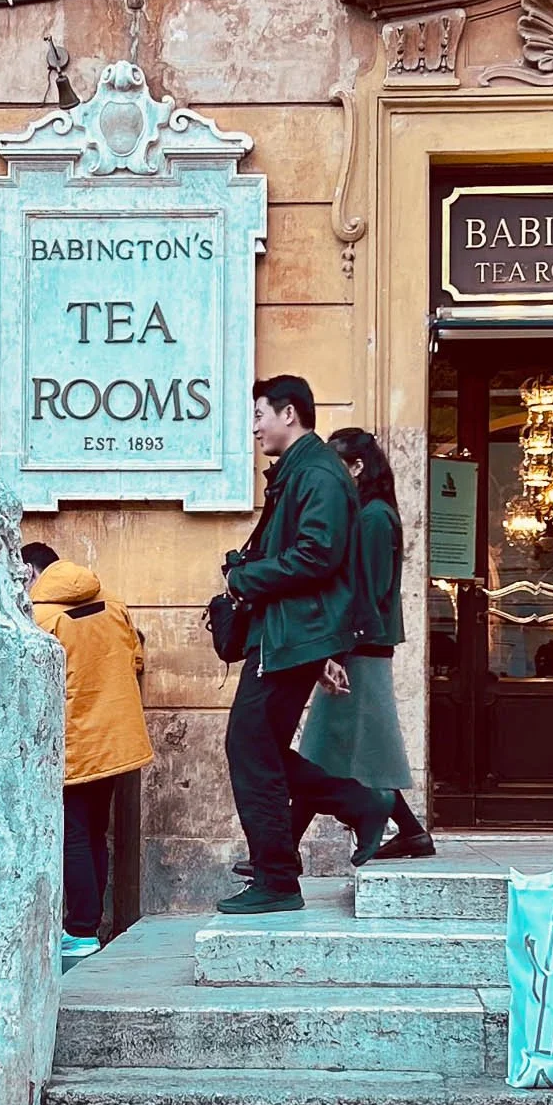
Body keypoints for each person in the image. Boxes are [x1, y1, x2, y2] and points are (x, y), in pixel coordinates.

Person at [218, 376, 391, 915]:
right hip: (291, 634)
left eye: (259, 414)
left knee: (248, 746)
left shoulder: (315, 474)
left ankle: (278, 878)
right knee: (258, 746)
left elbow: (318, 556)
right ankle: (359, 805)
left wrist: (246, 579)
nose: (254, 427)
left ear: (288, 413)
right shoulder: (303, 472)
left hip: (292, 634)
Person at [292, 429, 431, 862]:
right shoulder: (370, 514)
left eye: (337, 467)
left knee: (329, 753)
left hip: (359, 648)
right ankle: (409, 832)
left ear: (356, 467)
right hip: (358, 645)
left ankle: (280, 850)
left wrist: (335, 649)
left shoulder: (373, 517)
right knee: (330, 752)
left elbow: (366, 592)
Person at [22, 541, 154, 960]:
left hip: (73, 742)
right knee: (94, 832)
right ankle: (89, 925)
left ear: (29, 572)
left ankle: (80, 930)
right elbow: (136, 659)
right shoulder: (113, 606)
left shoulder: (38, 617)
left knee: (73, 835)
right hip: (115, 740)